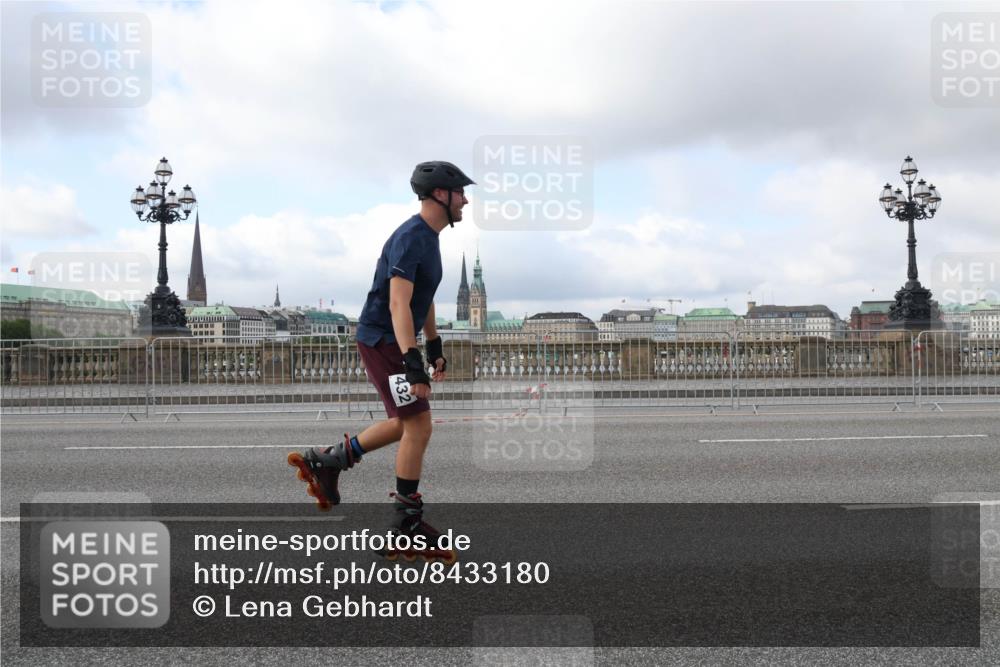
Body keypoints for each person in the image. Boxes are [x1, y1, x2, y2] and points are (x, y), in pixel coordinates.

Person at [288, 160, 473, 555]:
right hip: (382, 339)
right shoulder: (410, 237)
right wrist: (411, 359)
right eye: (461, 194)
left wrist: (434, 344)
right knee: (419, 425)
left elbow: (423, 298)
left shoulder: (430, 238)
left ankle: (330, 461)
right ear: (441, 194)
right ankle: (404, 522)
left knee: (405, 422)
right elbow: (398, 302)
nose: (466, 200)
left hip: (391, 339)